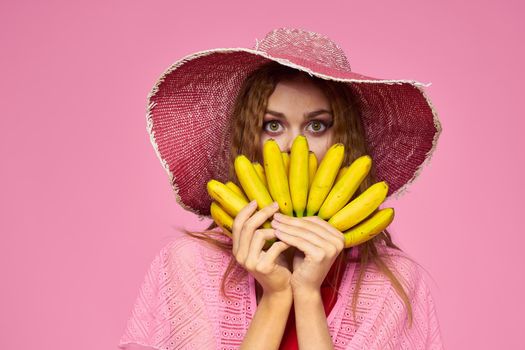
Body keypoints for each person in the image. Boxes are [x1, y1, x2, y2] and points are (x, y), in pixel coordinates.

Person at [118, 28, 444, 350]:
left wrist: (307, 295)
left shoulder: (392, 283)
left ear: (345, 140)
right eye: (272, 125)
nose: (293, 146)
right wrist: (275, 297)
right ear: (249, 139)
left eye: (317, 125)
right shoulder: (190, 265)